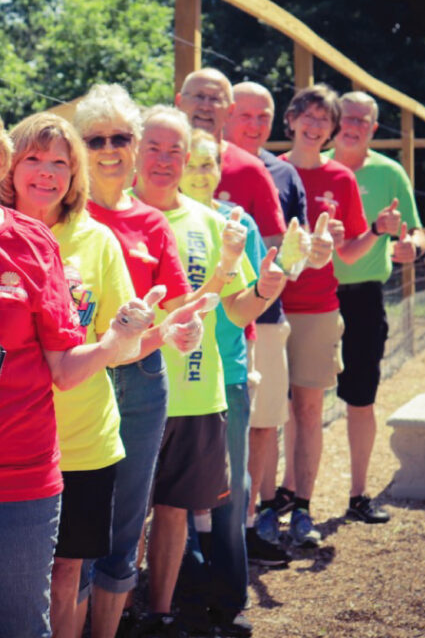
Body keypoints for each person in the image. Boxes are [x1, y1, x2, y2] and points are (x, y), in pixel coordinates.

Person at [0, 94, 173, 638]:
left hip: (18, 474)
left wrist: (114, 342)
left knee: (19, 626)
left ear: (0, 163)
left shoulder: (32, 243)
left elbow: (64, 366)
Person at [0, 112, 208, 638]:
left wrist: (163, 332)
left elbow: (121, 345)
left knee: (67, 572)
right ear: (10, 166)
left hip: (83, 438)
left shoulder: (96, 241)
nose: (47, 173)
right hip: (5, 440)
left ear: (75, 175)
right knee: (10, 584)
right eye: (34, 159)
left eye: (60, 163)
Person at [132, 105, 283, 637]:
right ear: (134, 151)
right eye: (155, 147)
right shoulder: (114, 219)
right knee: (127, 517)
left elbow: (236, 310)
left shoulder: (213, 224)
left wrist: (265, 287)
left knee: (175, 512)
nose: (166, 160)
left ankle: (162, 613)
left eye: (177, 151)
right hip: (128, 397)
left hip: (197, 396)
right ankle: (117, 608)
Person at [71, 83, 192, 637]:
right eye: (96, 138)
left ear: (137, 143)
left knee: (126, 518)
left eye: (121, 136)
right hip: (81, 377)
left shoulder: (152, 223)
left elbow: (176, 307)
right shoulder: (64, 216)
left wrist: (179, 330)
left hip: (142, 377)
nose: (110, 148)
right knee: (76, 519)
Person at [277, 84, 399, 547]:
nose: (315, 125)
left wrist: (376, 231)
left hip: (320, 306)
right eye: (306, 116)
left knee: (310, 408)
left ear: (331, 130)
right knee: (271, 414)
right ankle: (269, 504)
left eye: (323, 120)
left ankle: (309, 504)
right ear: (289, 120)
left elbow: (347, 254)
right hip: (268, 308)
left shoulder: (342, 181)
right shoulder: (273, 171)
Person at [177, 129, 279, 635]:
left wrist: (264, 287)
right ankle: (181, 597)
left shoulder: (238, 224)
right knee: (172, 502)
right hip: (166, 381)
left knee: (230, 492)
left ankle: (229, 597)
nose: (198, 172)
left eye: (208, 164)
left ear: (220, 171)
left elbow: (246, 310)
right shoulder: (152, 218)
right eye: (189, 162)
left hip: (227, 376)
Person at [225, 81, 319, 563]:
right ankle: (206, 537)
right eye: (247, 114)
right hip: (213, 320)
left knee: (262, 424)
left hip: (267, 315)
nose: (256, 124)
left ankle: (250, 523)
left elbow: (297, 252)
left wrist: (313, 254)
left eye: (264, 116)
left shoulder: (284, 174)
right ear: (225, 113)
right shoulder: (192, 163)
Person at [326, 90, 425, 523]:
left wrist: (412, 248)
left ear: (373, 127)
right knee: (302, 403)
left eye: (363, 121)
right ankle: (291, 501)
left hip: (365, 296)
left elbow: (419, 232)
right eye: (347, 117)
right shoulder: (315, 165)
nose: (353, 125)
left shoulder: (389, 172)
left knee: (360, 398)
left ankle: (358, 494)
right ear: (335, 120)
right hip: (313, 296)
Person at [175, 68, 287, 245]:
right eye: (198, 96)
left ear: (230, 110)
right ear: (179, 102)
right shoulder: (154, 161)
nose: (205, 106)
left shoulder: (251, 170)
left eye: (215, 99)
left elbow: (272, 246)